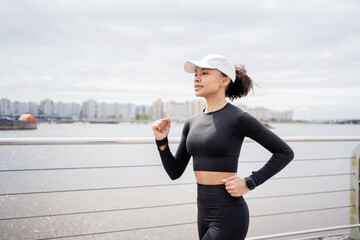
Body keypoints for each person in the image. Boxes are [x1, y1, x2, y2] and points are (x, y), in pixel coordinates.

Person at [151, 54, 294, 240]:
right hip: (202, 212)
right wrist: (162, 141)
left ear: (224, 80)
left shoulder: (238, 118)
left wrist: (250, 182)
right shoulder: (192, 122)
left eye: (205, 73)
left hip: (229, 214)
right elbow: (174, 172)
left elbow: (284, 152)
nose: (196, 78)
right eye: (195, 74)